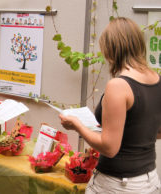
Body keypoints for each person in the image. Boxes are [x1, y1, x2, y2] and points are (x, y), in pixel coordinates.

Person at [59, 17, 161, 193]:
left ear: (111, 49)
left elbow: (109, 148)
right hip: (149, 179)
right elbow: (157, 132)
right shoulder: (157, 79)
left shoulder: (118, 86)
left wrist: (77, 125)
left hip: (118, 183)